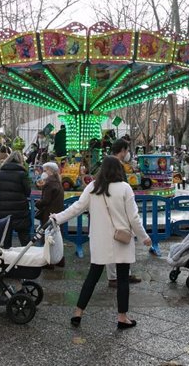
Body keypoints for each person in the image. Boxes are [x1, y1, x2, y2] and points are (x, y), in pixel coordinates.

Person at [51, 156, 152, 330]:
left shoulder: (93, 187)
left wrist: (57, 218)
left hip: (100, 240)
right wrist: (144, 237)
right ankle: (122, 317)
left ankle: (78, 312)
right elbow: (134, 217)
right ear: (119, 170)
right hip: (121, 239)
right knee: (122, 279)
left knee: (92, 276)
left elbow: (76, 208)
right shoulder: (125, 188)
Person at [105, 139, 143, 287]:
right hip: (116, 210)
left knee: (122, 243)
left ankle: (123, 274)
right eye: (127, 150)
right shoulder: (114, 166)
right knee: (114, 243)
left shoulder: (114, 164)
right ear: (122, 150)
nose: (127, 154)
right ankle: (114, 277)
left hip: (118, 209)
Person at [0, 151, 32, 249]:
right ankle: (27, 256)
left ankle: (6, 259)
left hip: (3, 208)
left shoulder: (1, 173)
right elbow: (28, 191)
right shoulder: (22, 174)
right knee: (24, 235)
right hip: (20, 208)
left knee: (6, 234)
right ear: (20, 160)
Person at [35, 161, 65, 267]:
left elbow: (45, 200)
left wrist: (37, 204)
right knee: (56, 237)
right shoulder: (57, 182)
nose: (44, 172)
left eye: (45, 170)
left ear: (51, 171)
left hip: (48, 213)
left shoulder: (49, 183)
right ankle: (60, 260)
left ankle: (49, 263)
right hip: (57, 213)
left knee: (48, 238)